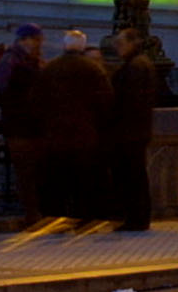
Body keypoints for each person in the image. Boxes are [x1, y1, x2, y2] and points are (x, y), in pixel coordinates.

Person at [35, 30, 112, 222]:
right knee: (83, 180)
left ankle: (55, 216)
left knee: (56, 180)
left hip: (55, 134)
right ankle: (83, 216)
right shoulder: (93, 70)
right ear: (83, 47)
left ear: (64, 45)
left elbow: (37, 100)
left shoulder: (50, 68)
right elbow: (105, 101)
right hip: (85, 134)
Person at [0, 24, 47, 224]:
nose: (40, 44)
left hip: (27, 125)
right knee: (26, 173)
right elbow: (5, 93)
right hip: (21, 126)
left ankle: (36, 212)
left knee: (32, 172)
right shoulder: (12, 62)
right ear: (24, 40)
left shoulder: (21, 61)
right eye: (37, 40)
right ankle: (33, 214)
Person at [106, 27, 159, 231]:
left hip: (128, 132)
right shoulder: (141, 64)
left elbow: (128, 100)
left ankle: (135, 217)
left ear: (132, 43)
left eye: (120, 43)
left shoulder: (134, 67)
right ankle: (137, 216)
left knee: (131, 176)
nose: (117, 48)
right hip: (136, 130)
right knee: (135, 175)